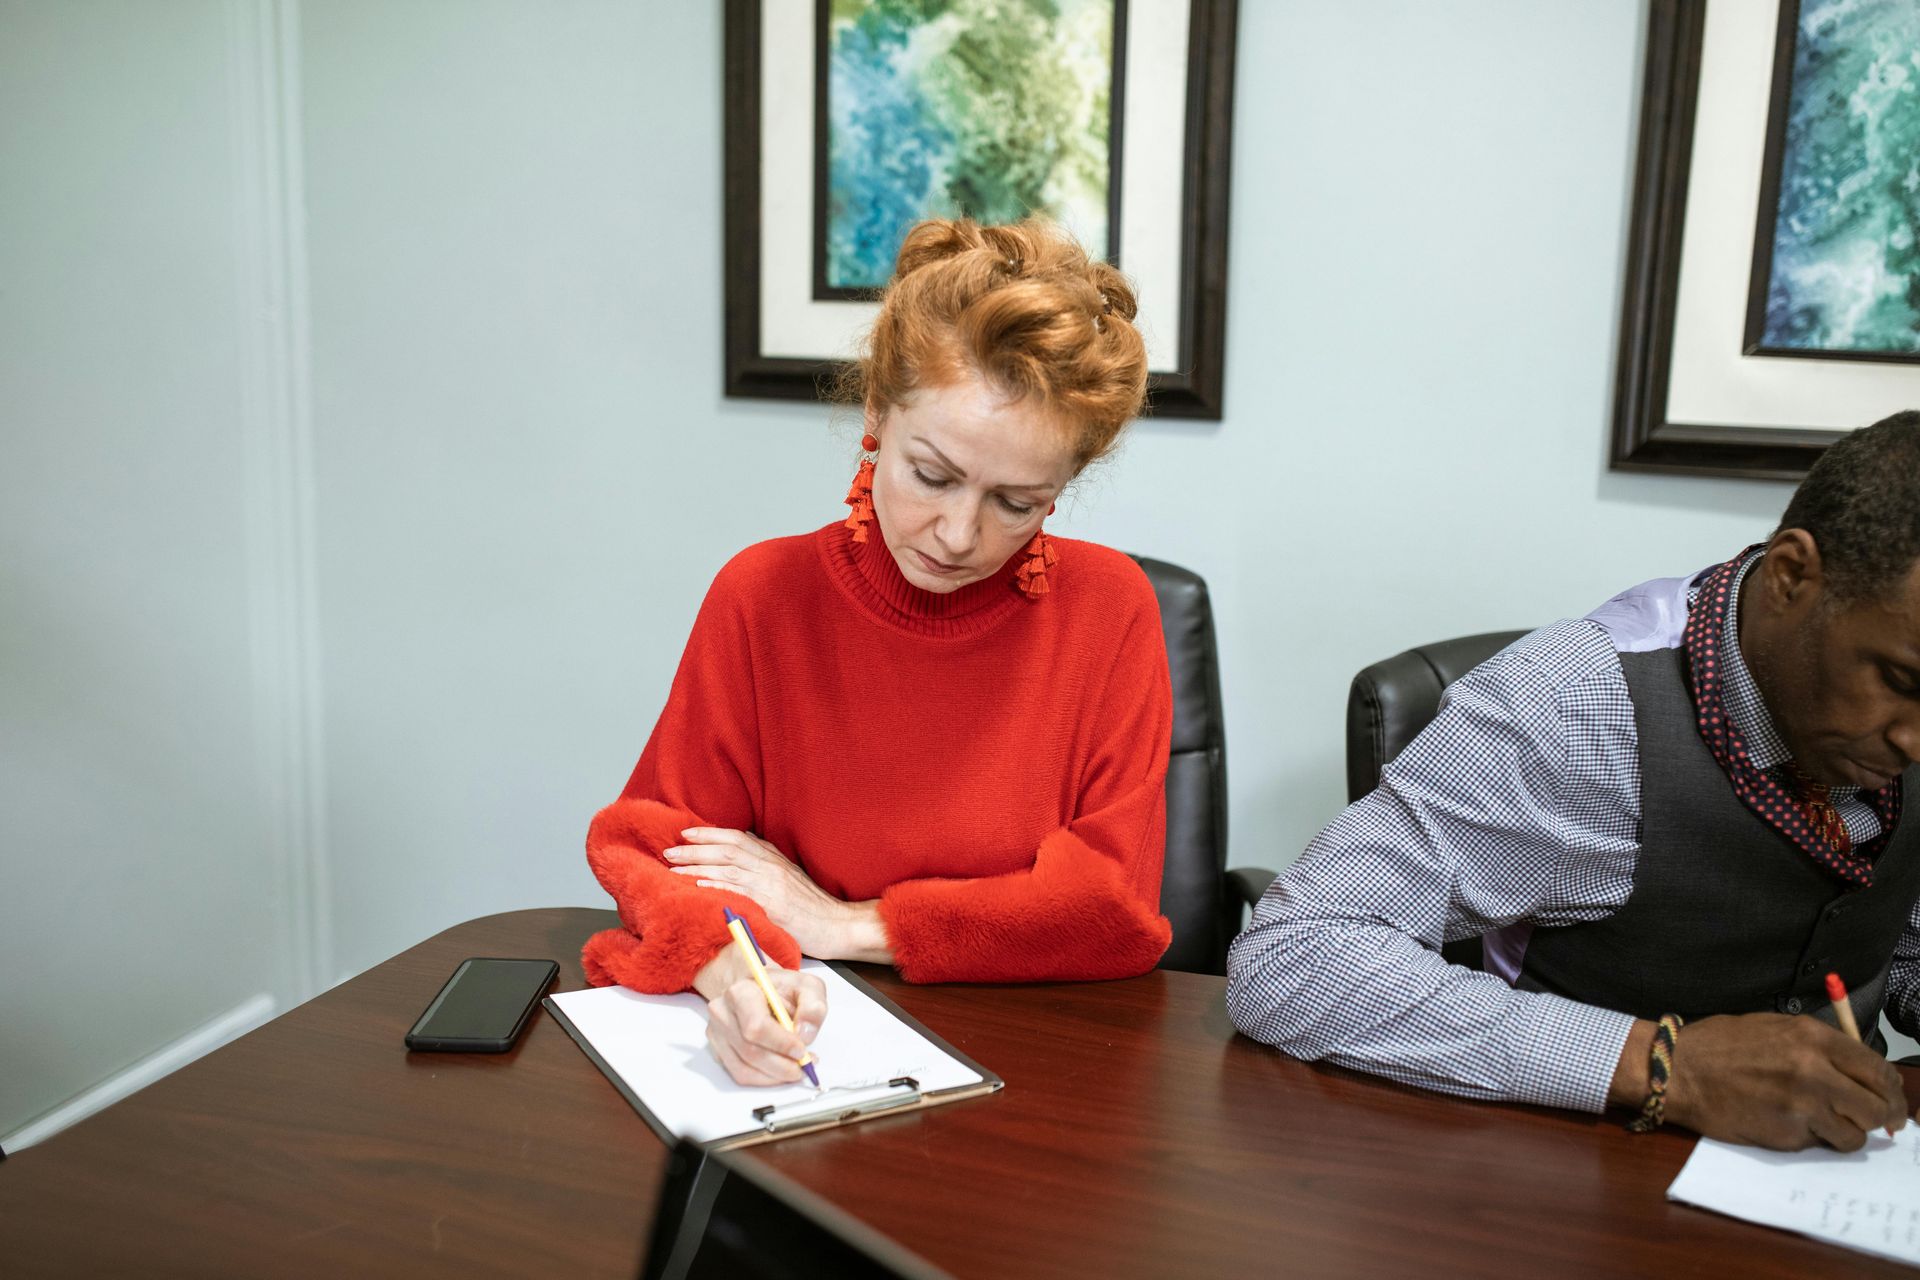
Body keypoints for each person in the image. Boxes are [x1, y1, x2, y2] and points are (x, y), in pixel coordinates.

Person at [583, 217, 1173, 1087]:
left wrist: (844, 924)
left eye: (1018, 502)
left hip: (1049, 1077)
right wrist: (734, 979)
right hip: (814, 1059)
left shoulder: (1113, 610)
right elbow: (652, 846)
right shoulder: (763, 596)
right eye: (932, 475)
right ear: (876, 415)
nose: (959, 533)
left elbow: (1111, 905)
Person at [1228, 411, 1920, 1151]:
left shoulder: (1883, 720)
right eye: (1900, 678)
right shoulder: (1574, 705)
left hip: (1853, 1180)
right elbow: (1292, 955)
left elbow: (1899, 945)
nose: (1914, 740)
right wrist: (1663, 1066)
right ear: (1791, 576)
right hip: (1582, 1182)